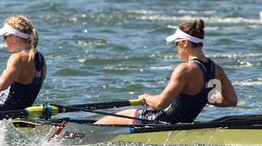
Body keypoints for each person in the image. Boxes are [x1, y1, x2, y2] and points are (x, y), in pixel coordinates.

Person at [95, 19, 237, 125]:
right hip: (185, 122)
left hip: (161, 121)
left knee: (109, 119)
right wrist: (203, 97)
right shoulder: (216, 69)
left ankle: (80, 134)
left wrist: (146, 97)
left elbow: (160, 104)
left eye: (176, 44)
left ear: (185, 43)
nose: (176, 49)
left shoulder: (185, 69)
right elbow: (231, 101)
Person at [0, 15, 47, 112]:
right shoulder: (40, 60)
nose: (4, 41)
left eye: (5, 36)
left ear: (14, 38)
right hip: (20, 114)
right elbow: (18, 85)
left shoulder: (17, 58)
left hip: (0, 114)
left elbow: (1, 85)